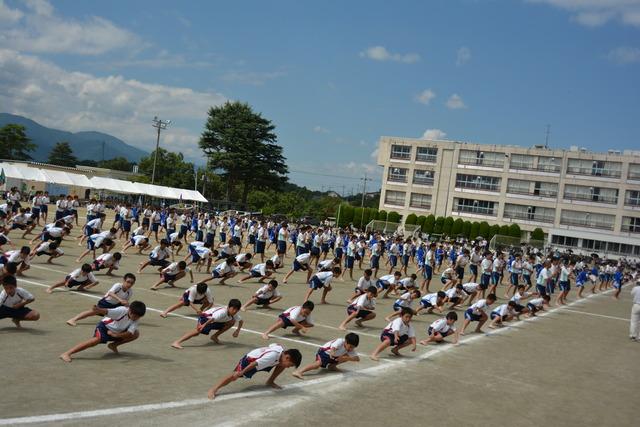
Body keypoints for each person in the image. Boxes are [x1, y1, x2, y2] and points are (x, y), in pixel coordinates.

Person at [59, 301, 146, 362]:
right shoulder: (122, 310)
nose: (135, 318)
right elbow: (107, 311)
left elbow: (130, 333)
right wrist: (98, 310)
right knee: (95, 340)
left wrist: (116, 335)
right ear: (129, 310)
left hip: (116, 332)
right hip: (104, 327)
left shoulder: (136, 319)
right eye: (134, 315)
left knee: (136, 334)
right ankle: (67, 353)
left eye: (138, 317)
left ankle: (113, 345)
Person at [207, 343, 302, 400]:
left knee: (282, 365)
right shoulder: (271, 357)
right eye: (291, 365)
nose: (290, 367)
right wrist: (241, 372)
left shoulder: (281, 351)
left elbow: (274, 344)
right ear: (287, 357)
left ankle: (270, 381)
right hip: (250, 360)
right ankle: (213, 389)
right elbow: (254, 364)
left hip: (265, 361)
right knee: (234, 376)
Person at [66, 274, 137, 326]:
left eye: (132, 283)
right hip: (106, 303)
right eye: (128, 282)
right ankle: (73, 319)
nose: (129, 284)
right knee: (92, 312)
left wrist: (126, 304)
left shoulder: (130, 292)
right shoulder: (118, 285)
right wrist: (120, 300)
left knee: (123, 312)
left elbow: (125, 302)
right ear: (124, 280)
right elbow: (110, 293)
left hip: (115, 305)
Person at [171, 299, 244, 348]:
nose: (234, 311)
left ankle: (214, 336)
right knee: (197, 331)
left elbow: (241, 321)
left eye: (237, 310)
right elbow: (212, 319)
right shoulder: (222, 312)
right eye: (233, 309)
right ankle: (177, 342)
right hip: (205, 318)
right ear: (228, 307)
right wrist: (203, 325)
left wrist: (237, 331)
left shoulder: (234, 314)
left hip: (215, 321)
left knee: (232, 322)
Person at [292, 333, 360, 379]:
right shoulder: (340, 341)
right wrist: (332, 354)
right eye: (350, 346)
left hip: (334, 356)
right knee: (317, 365)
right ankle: (298, 372)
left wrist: (346, 358)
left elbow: (357, 359)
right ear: (346, 341)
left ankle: (332, 366)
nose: (351, 349)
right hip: (324, 353)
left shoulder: (351, 349)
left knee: (346, 357)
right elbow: (333, 349)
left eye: (353, 347)